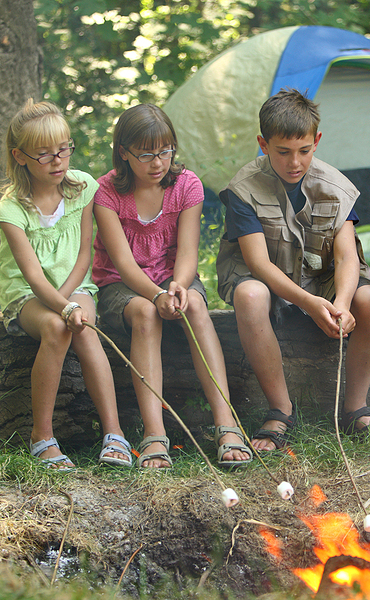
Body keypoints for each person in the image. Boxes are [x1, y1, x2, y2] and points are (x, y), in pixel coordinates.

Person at [216, 88, 370, 451]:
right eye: (283, 152)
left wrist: (341, 304)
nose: (294, 162)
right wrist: (312, 305)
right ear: (263, 144)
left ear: (317, 141)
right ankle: (280, 410)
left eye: (304, 151)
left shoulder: (335, 187)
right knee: (249, 295)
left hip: (321, 278)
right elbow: (258, 264)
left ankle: (356, 407)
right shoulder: (243, 189)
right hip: (266, 279)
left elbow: (346, 257)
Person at [92, 104, 251, 469]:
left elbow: (189, 251)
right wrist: (157, 295)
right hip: (123, 284)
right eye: (146, 154)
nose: (157, 163)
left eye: (165, 151)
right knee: (147, 314)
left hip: (172, 274)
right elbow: (123, 265)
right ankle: (153, 434)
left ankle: (227, 425)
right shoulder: (107, 194)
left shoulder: (186, 185)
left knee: (194, 304)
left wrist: (178, 286)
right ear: (124, 153)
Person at [0, 100, 131, 470]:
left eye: (64, 149)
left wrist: (72, 300)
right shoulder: (12, 210)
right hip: (28, 294)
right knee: (56, 326)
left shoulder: (82, 187)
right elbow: (34, 277)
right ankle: (43, 436)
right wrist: (62, 307)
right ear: (20, 156)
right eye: (45, 155)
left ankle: (114, 433)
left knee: (85, 329)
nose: (58, 161)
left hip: (75, 283)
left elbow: (85, 254)